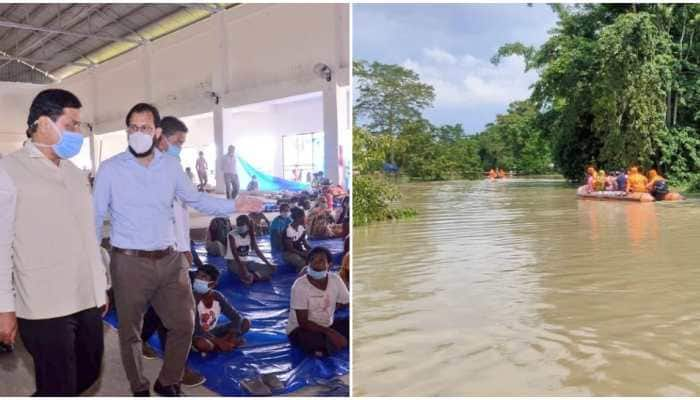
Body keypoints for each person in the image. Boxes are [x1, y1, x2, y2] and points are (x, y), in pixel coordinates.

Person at [93, 103, 262, 396]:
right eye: (132, 127)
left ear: (157, 131)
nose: (138, 133)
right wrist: (95, 273)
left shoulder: (170, 167)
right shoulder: (110, 170)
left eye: (144, 127)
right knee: (131, 332)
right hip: (128, 261)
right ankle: (139, 386)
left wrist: (233, 205)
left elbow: (197, 200)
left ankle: (168, 380)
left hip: (169, 259)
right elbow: (94, 221)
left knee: (184, 323)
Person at [0, 89, 109, 395]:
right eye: (71, 124)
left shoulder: (75, 173)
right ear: (43, 122)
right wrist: (4, 307)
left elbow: (88, 235)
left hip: (84, 297)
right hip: (42, 303)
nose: (77, 133)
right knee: (58, 385)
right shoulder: (9, 171)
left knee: (88, 372)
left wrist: (99, 286)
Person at [141, 115, 204, 387]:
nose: (180, 146)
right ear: (160, 137)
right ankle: (176, 373)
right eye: (177, 141)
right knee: (179, 317)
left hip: (176, 251)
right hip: (157, 252)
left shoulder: (173, 166)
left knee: (164, 310)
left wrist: (185, 246)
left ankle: (140, 338)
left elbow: (180, 212)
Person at [287, 247, 349, 357]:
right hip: (301, 329)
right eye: (313, 260)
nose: (316, 264)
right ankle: (325, 347)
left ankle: (330, 344)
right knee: (314, 342)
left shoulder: (335, 279)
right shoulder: (300, 286)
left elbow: (346, 301)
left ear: (329, 265)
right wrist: (331, 333)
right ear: (308, 264)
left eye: (321, 260)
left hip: (326, 324)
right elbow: (303, 322)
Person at [192, 264, 251, 354]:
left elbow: (236, 317)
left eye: (203, 277)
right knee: (203, 344)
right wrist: (219, 341)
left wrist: (231, 335)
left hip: (212, 332)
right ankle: (221, 346)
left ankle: (225, 344)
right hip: (195, 334)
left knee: (245, 322)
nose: (198, 279)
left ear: (213, 284)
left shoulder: (217, 296)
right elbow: (197, 329)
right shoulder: (191, 297)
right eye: (198, 275)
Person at [225, 215, 276, 285]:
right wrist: (243, 269)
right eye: (238, 224)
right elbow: (235, 254)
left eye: (242, 224)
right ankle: (255, 277)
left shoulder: (250, 235)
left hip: (246, 262)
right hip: (234, 262)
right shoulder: (231, 235)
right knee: (246, 273)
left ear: (248, 225)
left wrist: (268, 263)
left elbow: (257, 251)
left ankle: (252, 277)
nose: (240, 226)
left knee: (269, 268)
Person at [283, 207, 312, 272]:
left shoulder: (302, 227)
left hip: (298, 251)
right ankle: (300, 276)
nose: (305, 218)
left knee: (312, 258)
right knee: (302, 263)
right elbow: (290, 249)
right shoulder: (289, 230)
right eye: (304, 217)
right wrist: (302, 254)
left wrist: (311, 250)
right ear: (299, 218)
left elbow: (304, 243)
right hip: (289, 253)